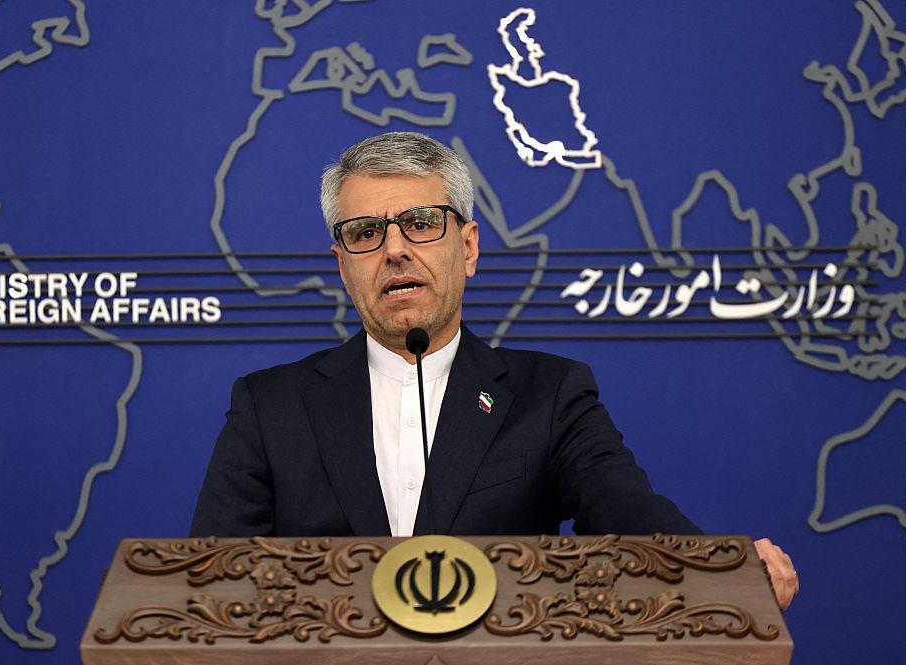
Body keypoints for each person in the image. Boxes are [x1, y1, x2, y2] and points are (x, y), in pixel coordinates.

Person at [190, 132, 798, 609]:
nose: (395, 249)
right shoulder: (270, 407)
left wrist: (720, 566)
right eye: (366, 233)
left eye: (421, 222)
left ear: (469, 247)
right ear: (342, 266)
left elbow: (628, 511)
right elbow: (210, 586)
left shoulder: (549, 395)